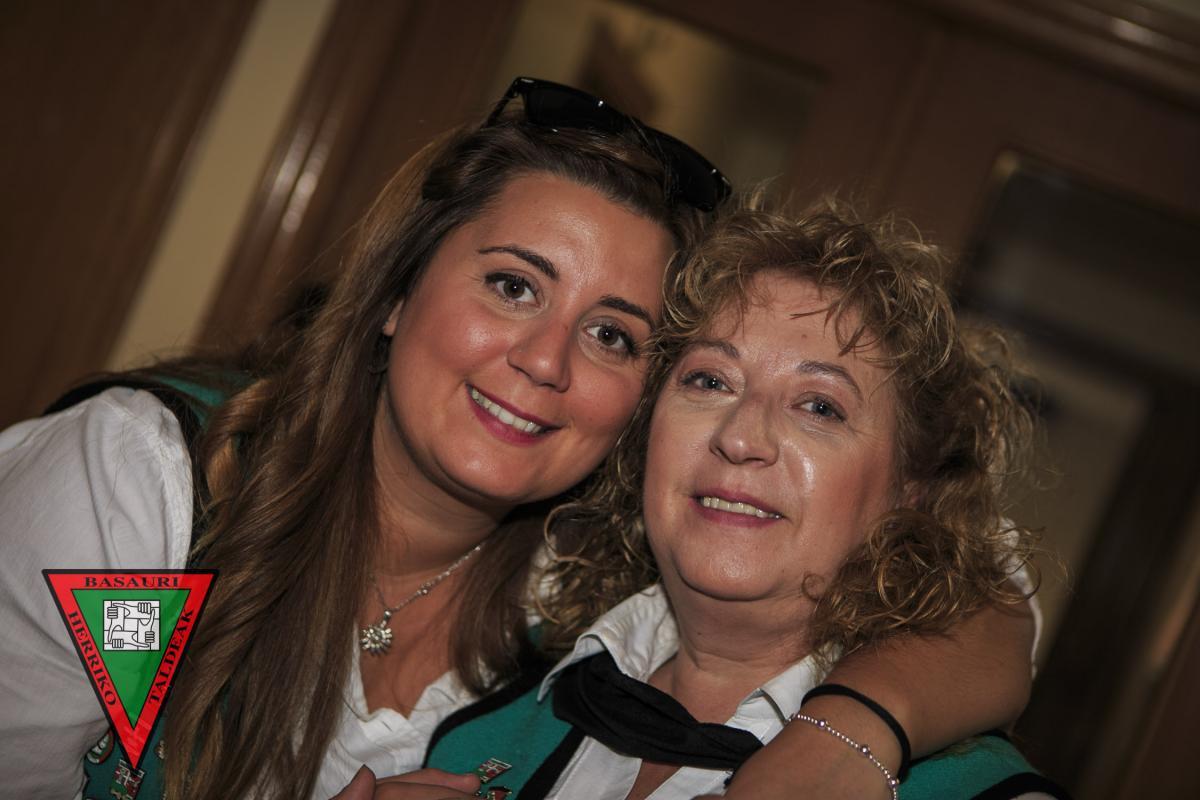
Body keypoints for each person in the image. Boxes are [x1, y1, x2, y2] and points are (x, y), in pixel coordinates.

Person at [0, 79, 1032, 800]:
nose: (545, 359)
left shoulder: (574, 588)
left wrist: (854, 728)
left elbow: (982, 589)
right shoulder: (165, 500)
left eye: (613, 334)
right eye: (513, 285)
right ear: (397, 291)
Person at [423, 202, 1062, 799]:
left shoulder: (976, 790)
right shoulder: (481, 721)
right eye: (710, 380)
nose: (740, 437)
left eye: (820, 407)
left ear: (910, 492)